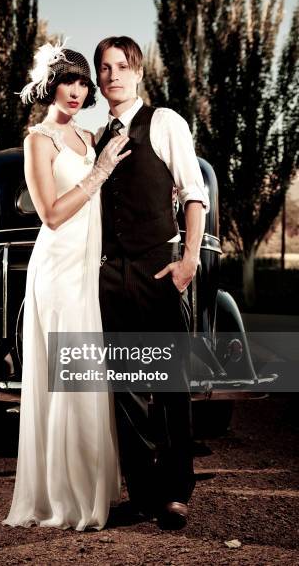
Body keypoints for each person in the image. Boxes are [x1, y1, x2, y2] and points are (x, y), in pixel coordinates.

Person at [2, 41, 130, 531]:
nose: (76, 91)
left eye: (82, 82)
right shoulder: (39, 140)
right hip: (57, 272)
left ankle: (91, 495)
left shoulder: (85, 133)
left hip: (86, 270)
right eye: (66, 81)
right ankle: (63, 500)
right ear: (49, 85)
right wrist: (99, 172)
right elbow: (52, 214)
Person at [94, 36, 210, 529]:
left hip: (161, 269)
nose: (112, 75)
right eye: (104, 68)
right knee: (126, 389)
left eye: (121, 66)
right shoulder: (99, 135)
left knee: (170, 386)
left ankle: (176, 492)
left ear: (138, 73)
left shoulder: (165, 123)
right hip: (114, 274)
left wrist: (188, 260)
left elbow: (194, 194)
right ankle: (141, 493)